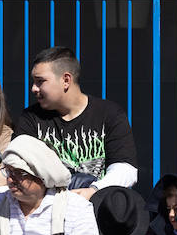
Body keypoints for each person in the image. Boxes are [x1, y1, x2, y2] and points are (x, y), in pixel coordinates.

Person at [12, 46, 138, 196]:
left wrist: (93, 191)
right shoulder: (31, 118)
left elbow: (125, 169)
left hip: (98, 205)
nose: (34, 88)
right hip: (49, 206)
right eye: (34, 81)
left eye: (40, 81)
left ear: (66, 80)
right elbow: (17, 166)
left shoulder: (109, 114)